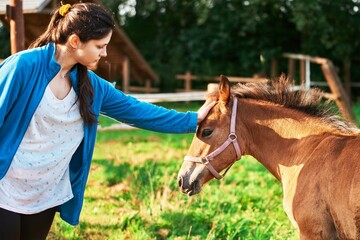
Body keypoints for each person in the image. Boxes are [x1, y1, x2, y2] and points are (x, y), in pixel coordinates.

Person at [0, 2, 216, 239]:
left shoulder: (92, 86)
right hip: (5, 188)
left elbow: (137, 111)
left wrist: (192, 119)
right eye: (100, 46)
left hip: (45, 195)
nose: (104, 53)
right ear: (74, 41)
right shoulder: (23, 67)